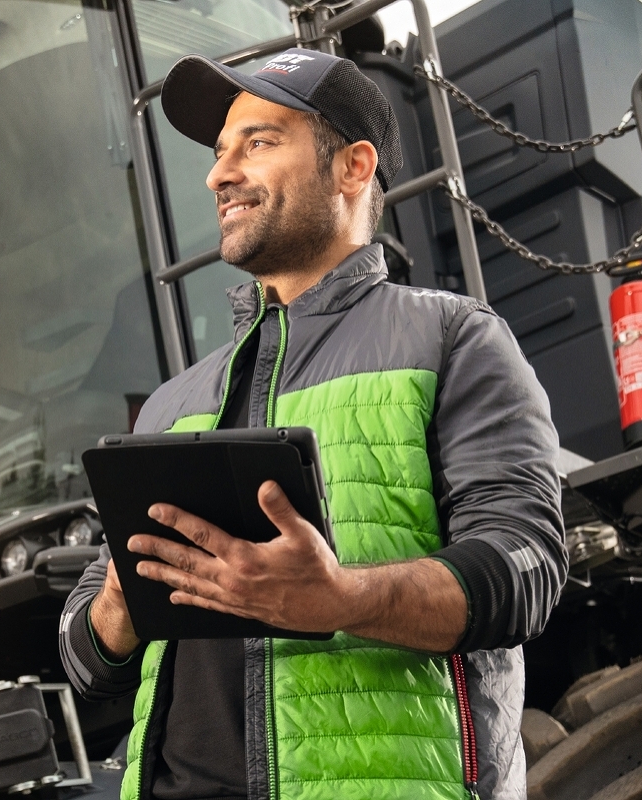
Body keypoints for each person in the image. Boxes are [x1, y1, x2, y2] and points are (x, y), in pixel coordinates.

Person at [59, 47, 566, 800]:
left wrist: (342, 600)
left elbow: (527, 569)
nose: (219, 174)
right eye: (220, 151)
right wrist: (116, 604)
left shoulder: (454, 339)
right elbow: (86, 662)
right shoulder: (170, 405)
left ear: (353, 168)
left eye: (258, 142)